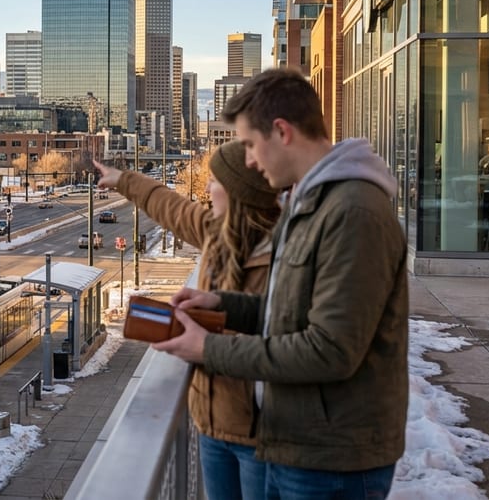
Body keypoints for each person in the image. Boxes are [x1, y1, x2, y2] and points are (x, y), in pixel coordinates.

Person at [153, 68, 409, 500]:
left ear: (282, 131)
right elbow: (287, 312)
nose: (249, 162)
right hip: (297, 443)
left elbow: (329, 350)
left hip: (332, 460)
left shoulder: (353, 212)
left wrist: (208, 348)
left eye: (251, 145)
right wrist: (223, 303)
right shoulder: (311, 202)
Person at [93, 142, 281, 499]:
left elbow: (288, 338)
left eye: (215, 181)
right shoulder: (216, 231)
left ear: (240, 190)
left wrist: (205, 343)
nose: (207, 188)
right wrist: (122, 180)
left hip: (262, 434)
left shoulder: (287, 253)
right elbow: (170, 207)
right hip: (212, 424)